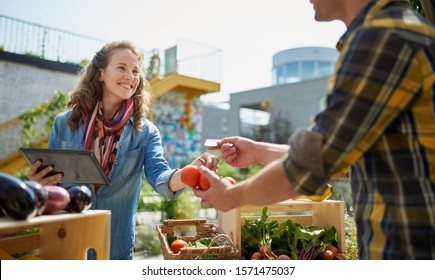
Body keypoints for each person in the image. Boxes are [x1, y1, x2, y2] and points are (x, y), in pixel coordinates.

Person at [194, 0, 435, 260]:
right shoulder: (394, 31)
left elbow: (309, 164)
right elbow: (341, 159)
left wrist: (230, 196)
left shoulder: (382, 38)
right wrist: (259, 151)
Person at [27, 40, 219, 260]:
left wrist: (189, 172)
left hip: (115, 247)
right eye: (122, 68)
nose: (131, 76)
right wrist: (37, 184)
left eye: (136, 71)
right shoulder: (64, 123)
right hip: (67, 241)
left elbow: (160, 177)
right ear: (101, 73)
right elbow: (51, 186)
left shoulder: (145, 132)